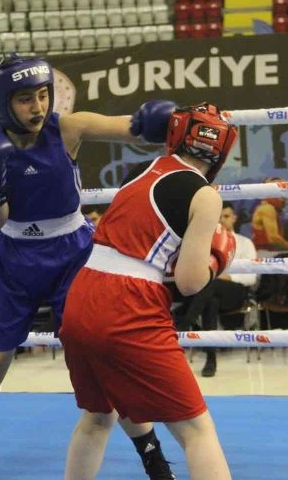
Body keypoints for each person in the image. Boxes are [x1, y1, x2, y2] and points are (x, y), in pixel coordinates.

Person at [0, 54, 178, 480]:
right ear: (2, 103)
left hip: (74, 255)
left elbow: (130, 129)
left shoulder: (68, 128)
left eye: (43, 95)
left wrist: (160, 123)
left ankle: (154, 459)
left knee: (105, 362)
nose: (39, 107)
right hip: (14, 258)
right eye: (26, 99)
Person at [59, 103, 238, 480]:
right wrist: (217, 259)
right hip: (128, 304)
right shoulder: (205, 196)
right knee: (197, 431)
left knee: (97, 417)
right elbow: (189, 282)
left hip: (83, 293)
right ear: (221, 151)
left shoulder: (141, 170)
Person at [173, 202, 258, 377]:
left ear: (234, 218)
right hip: (208, 294)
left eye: (226, 216)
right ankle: (211, 359)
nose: (222, 221)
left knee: (213, 283)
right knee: (211, 302)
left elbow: (251, 278)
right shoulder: (204, 244)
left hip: (236, 293)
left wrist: (227, 277)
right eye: (218, 217)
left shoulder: (245, 243)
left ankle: (185, 321)